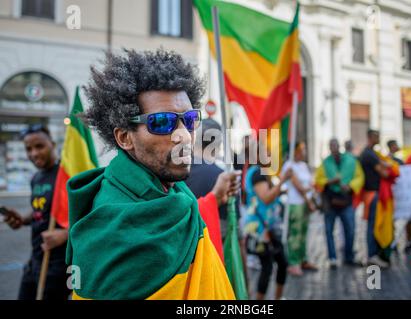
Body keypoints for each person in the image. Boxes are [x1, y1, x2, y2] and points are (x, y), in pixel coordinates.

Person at [65, 49, 240, 300]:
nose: (184, 135)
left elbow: (173, 219)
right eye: (162, 122)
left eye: (189, 120)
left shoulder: (172, 188)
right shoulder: (108, 232)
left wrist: (215, 197)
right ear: (125, 137)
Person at [2, 125, 70, 300]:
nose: (33, 154)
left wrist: (65, 234)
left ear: (53, 145)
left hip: (58, 265)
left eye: (39, 146)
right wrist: (22, 220)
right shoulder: (36, 178)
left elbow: (89, 217)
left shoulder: (67, 176)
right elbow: (39, 212)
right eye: (28, 149)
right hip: (35, 260)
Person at [244, 143, 292, 300]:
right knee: (268, 267)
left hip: (268, 227)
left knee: (281, 263)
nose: (270, 155)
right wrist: (283, 180)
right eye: (267, 152)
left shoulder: (260, 172)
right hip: (261, 229)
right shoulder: (257, 172)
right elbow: (265, 198)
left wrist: (280, 189)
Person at [315, 139, 364, 269]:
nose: (333, 148)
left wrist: (350, 186)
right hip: (330, 201)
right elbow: (318, 180)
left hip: (346, 200)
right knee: (329, 230)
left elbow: (359, 177)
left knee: (350, 229)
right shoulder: (325, 163)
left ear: (339, 146)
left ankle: (349, 256)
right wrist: (330, 181)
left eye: (335, 145)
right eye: (331, 146)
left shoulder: (351, 161)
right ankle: (332, 258)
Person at [282, 142, 318, 276]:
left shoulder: (303, 166)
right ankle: (294, 263)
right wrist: (310, 199)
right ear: (295, 151)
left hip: (304, 203)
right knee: (295, 235)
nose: (304, 152)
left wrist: (309, 191)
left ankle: (303, 259)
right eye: (302, 150)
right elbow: (301, 188)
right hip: (295, 204)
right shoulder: (289, 166)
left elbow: (309, 185)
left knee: (303, 233)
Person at [359, 129, 390, 268]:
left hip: (372, 193)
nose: (379, 138)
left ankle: (374, 253)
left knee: (374, 224)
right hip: (372, 194)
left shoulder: (370, 153)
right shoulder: (369, 154)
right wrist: (392, 169)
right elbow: (384, 173)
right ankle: (372, 255)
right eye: (377, 136)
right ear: (371, 137)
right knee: (373, 225)